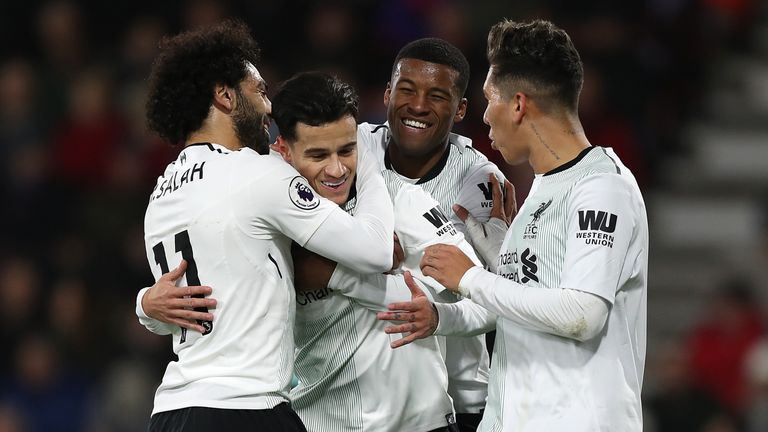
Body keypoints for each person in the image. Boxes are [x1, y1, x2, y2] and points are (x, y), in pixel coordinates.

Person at [380, 19, 648, 431]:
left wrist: (471, 278)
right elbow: (527, 307)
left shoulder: (602, 187)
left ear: (519, 105)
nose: (485, 116)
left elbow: (583, 313)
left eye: (489, 100)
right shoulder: (541, 188)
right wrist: (502, 259)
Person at [136, 21, 394, 431]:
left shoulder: (161, 194)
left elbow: (176, 301)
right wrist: (369, 161)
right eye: (258, 90)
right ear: (224, 95)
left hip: (173, 410)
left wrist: (144, 306)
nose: (270, 107)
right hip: (244, 409)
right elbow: (376, 250)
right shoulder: (257, 174)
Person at [272, 71, 469, 432]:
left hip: (426, 425)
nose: (336, 170)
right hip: (323, 423)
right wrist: (147, 304)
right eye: (318, 155)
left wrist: (338, 276)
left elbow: (474, 299)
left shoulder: (402, 201)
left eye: (346, 150)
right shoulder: (271, 229)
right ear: (282, 150)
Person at [356, 37, 511, 431]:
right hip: (356, 390)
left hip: (459, 402)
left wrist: (440, 315)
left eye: (437, 96)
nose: (419, 105)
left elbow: (504, 299)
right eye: (407, 90)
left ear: (460, 109)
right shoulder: (351, 150)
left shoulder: (482, 185)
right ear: (388, 94)